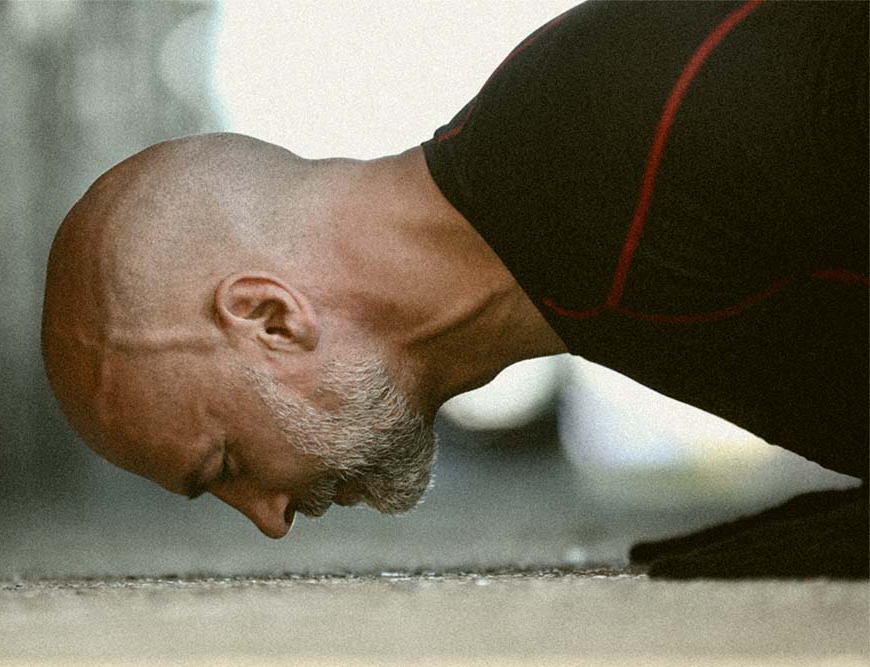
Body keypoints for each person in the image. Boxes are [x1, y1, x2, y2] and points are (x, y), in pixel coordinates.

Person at [42, 1, 868, 577]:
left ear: (270, 318)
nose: (268, 518)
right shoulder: (572, 246)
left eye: (226, 463)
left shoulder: (632, 120)